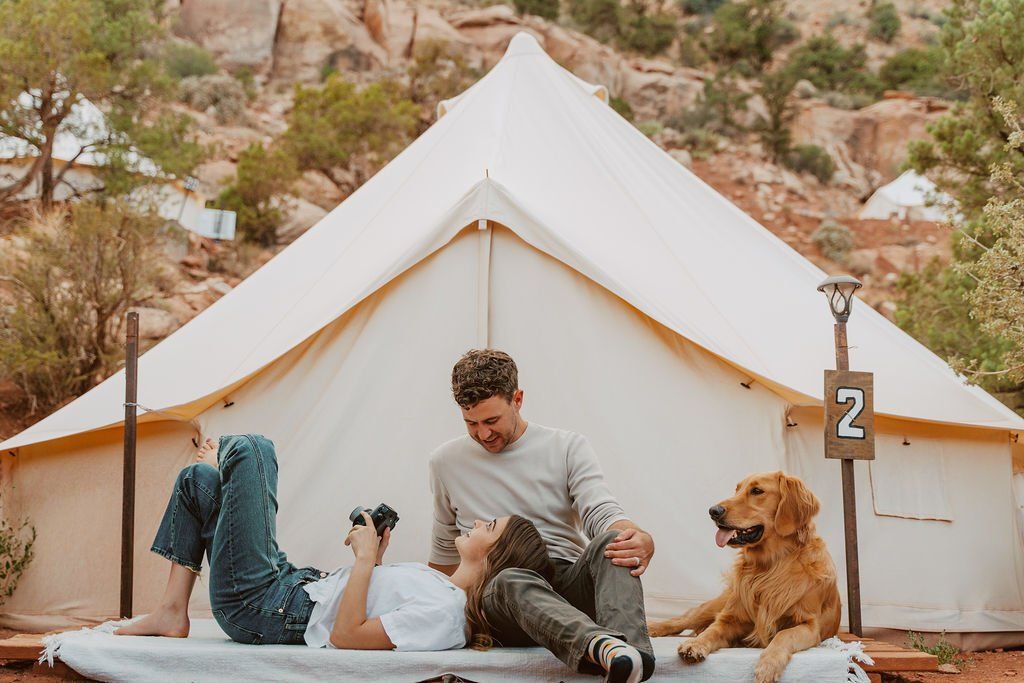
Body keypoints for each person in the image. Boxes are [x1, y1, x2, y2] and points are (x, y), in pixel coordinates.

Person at [116, 433, 552, 651]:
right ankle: (172, 611)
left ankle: (223, 453)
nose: (477, 522)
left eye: (489, 527)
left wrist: (364, 562)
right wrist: (377, 558)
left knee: (251, 449)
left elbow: (346, 637)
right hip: (292, 585)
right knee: (199, 481)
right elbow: (372, 609)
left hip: (264, 608)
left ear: (497, 557)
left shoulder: (448, 617)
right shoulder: (441, 588)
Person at [428, 350, 656, 683]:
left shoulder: (566, 446)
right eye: (471, 423)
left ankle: (632, 661)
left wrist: (637, 537)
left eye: (492, 421)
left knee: (614, 541)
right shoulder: (444, 462)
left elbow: (600, 510)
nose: (483, 434)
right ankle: (601, 647)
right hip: (499, 597)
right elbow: (444, 551)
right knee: (510, 580)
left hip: (565, 584)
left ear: (517, 399)